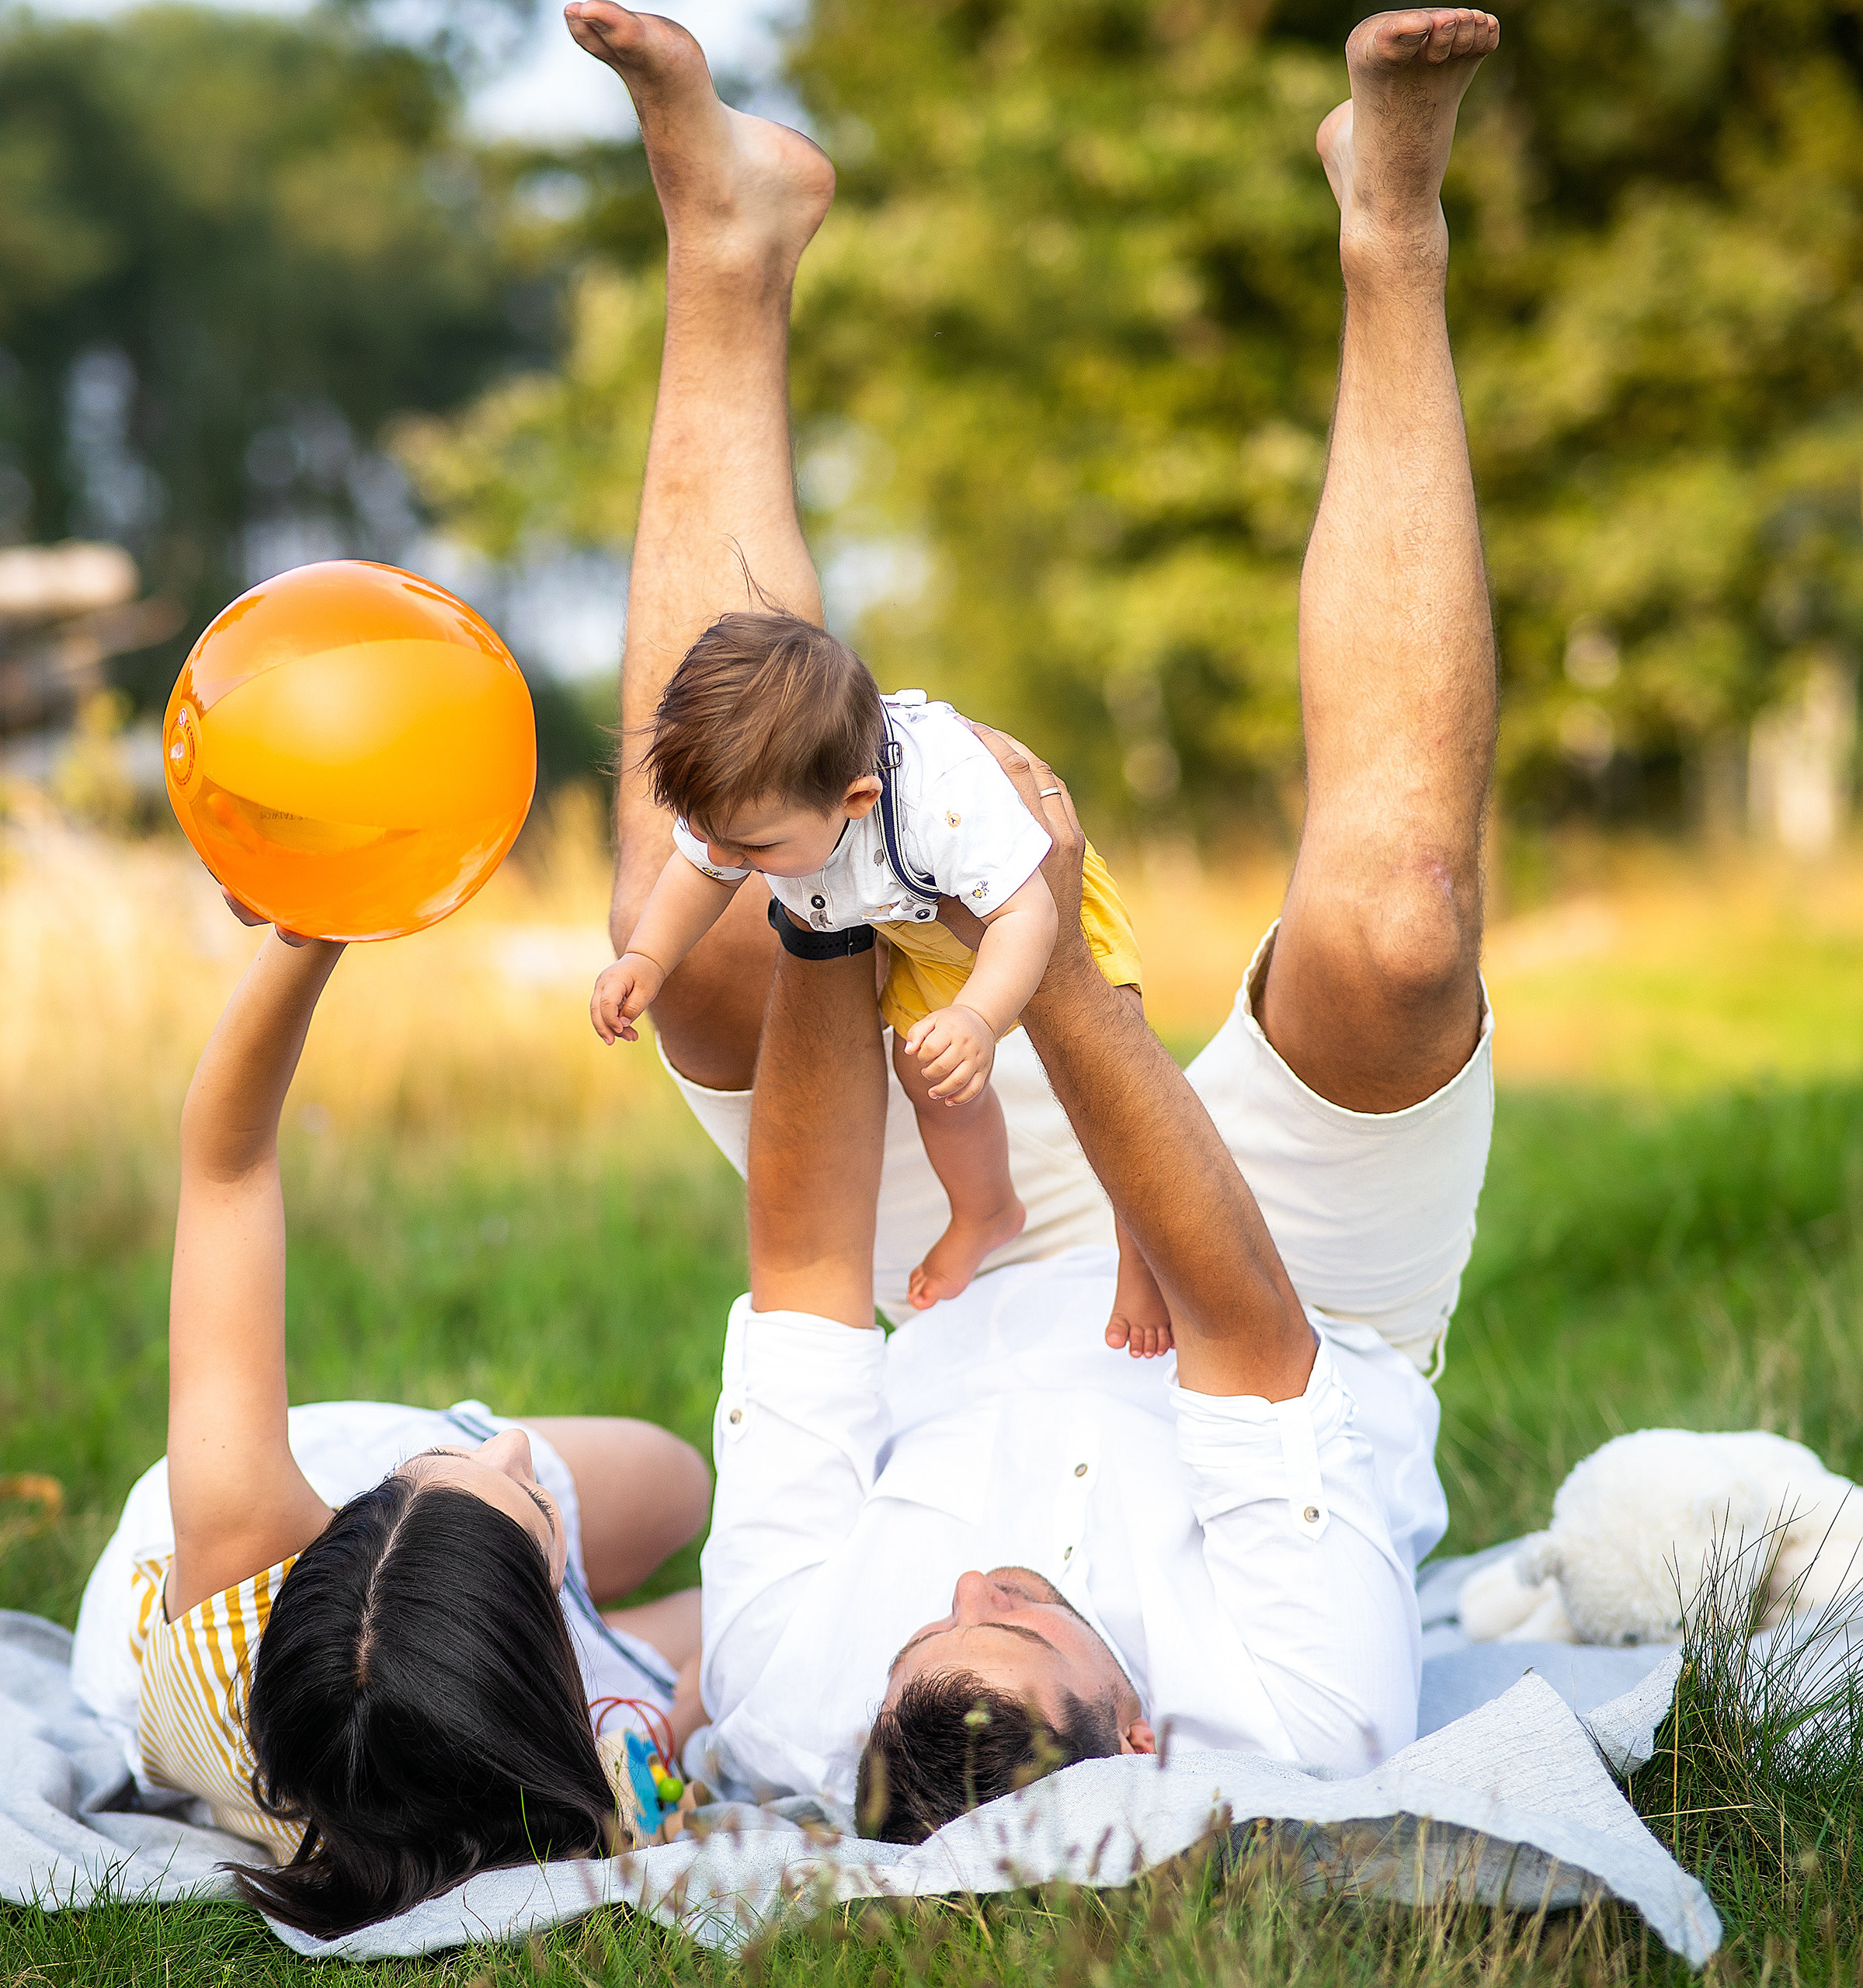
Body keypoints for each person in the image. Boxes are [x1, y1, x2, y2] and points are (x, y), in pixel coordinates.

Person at [564, 0, 1503, 1837]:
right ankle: (1392, 226)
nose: (970, 1587)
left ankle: (726, 241)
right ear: (1139, 1729)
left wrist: (839, 897)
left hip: (954, 1239)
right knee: (1398, 925)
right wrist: (1042, 933)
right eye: (1023, 1624)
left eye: (935, 1629)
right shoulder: (1295, 1712)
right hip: (1290, 1283)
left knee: (696, 950)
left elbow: (811, 1275)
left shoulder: (795, 1689)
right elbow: (1240, 1328)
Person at [64, 922, 713, 1932]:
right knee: (733, 1610)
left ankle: (506, 1539)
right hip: (459, 1649)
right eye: (523, 1495)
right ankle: (581, 1608)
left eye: (450, 1462)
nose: (514, 1445)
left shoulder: (239, 1531)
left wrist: (307, 926)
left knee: (683, 1490)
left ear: (354, 1518)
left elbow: (225, 1162)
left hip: (223, 1563)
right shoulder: (574, 1801)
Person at [589, 608, 1170, 1336]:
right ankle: (987, 1210)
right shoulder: (750, 807)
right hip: (927, 923)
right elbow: (698, 871)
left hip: (1043, 908)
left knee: (1111, 1090)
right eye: (719, 839)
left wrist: (979, 1018)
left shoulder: (945, 805)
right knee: (927, 1076)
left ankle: (1146, 1263)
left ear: (858, 799)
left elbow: (1028, 917)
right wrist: (646, 957)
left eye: (756, 848)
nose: (732, 861)